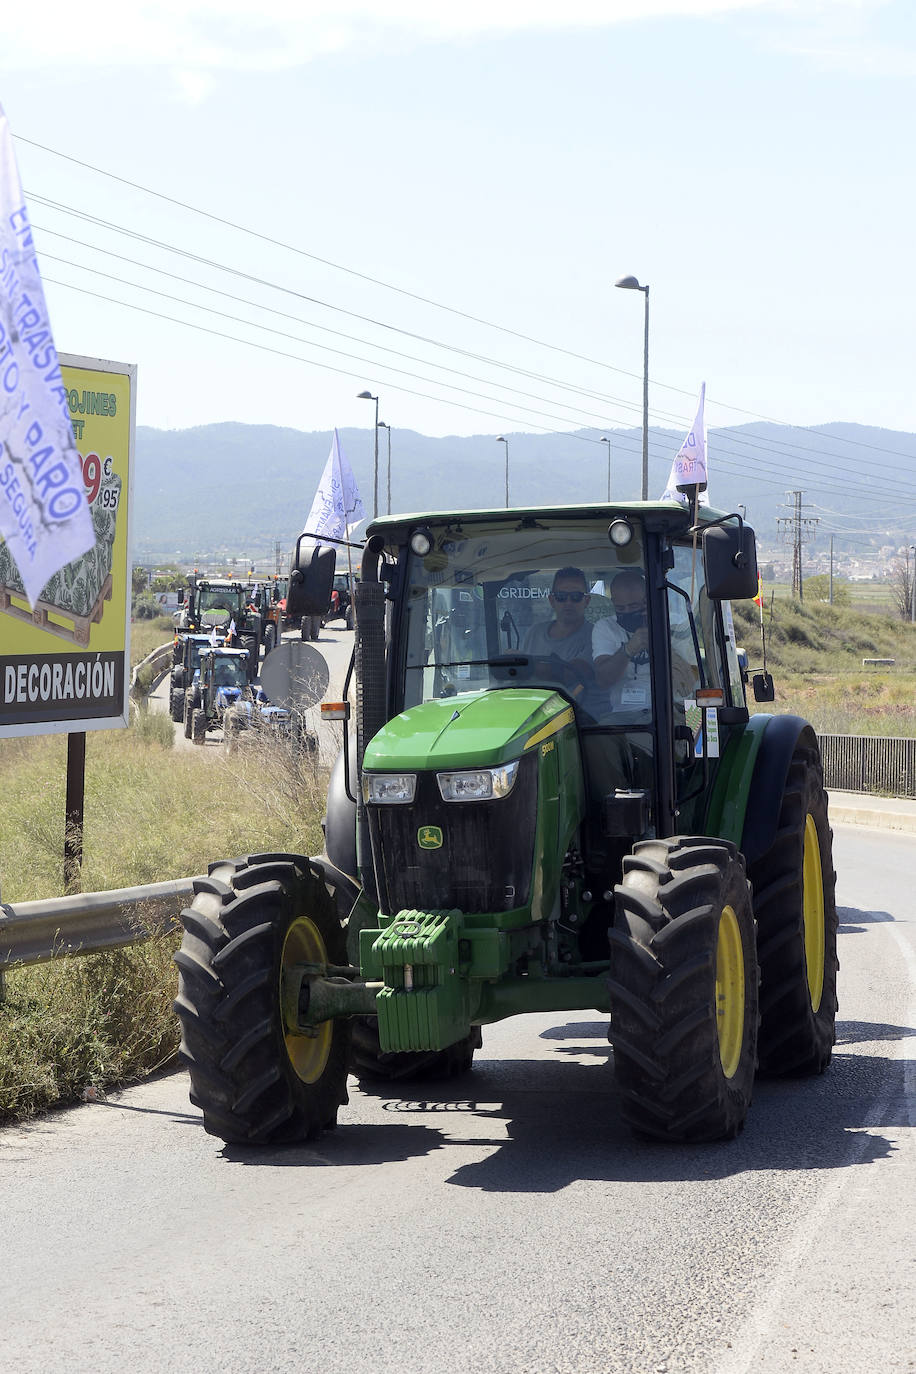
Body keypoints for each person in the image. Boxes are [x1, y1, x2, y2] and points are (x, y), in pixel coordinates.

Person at [522, 567, 594, 691]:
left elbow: (569, 674)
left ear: (587, 601)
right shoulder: (534, 632)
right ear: (551, 600)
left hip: (583, 710)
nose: (568, 602)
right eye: (561, 596)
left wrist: (522, 665)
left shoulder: (596, 635)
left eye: (576, 596)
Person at [592, 569, 652, 715]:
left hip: (668, 710)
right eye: (620, 608)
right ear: (613, 603)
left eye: (633, 606)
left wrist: (654, 627)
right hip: (623, 715)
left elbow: (688, 678)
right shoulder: (605, 627)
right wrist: (628, 650)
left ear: (647, 601)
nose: (626, 611)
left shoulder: (671, 624)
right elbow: (603, 680)